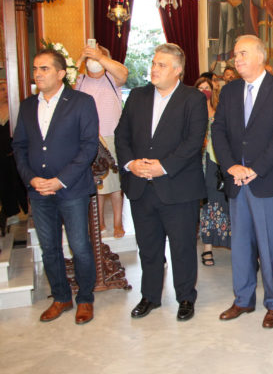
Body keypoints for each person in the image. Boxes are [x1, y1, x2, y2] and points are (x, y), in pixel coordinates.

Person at [115, 43, 208, 322]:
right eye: (154, 63)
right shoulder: (137, 96)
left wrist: (163, 167)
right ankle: (150, 296)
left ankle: (185, 297)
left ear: (178, 70)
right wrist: (131, 164)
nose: (154, 69)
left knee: (182, 248)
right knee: (148, 247)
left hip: (178, 187)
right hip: (141, 186)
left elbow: (193, 141)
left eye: (162, 65)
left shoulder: (193, 98)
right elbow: (121, 135)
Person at [212, 35, 273, 329]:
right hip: (237, 181)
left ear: (261, 56)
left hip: (267, 181)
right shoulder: (230, 91)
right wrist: (230, 165)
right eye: (236, 54)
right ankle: (243, 299)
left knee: (270, 248)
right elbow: (218, 130)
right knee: (240, 246)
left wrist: (255, 169)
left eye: (243, 53)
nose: (237, 59)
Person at [12, 49, 99, 324]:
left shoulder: (82, 102)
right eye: (35, 68)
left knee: (79, 246)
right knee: (49, 247)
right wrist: (31, 178)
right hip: (38, 191)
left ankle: (85, 298)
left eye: (44, 68)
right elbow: (19, 146)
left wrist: (60, 180)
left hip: (71, 189)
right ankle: (61, 297)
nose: (37, 74)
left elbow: (89, 146)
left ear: (61, 73)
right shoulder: (28, 106)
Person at [75, 43, 128, 239]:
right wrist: (81, 57)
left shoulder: (111, 79)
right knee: (95, 184)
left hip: (111, 136)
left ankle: (118, 222)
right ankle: (99, 222)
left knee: (115, 184)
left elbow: (124, 73)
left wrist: (101, 56)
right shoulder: (80, 80)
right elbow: (64, 80)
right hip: (87, 138)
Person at [195, 77, 231, 266]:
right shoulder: (192, 114)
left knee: (225, 204)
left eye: (206, 88)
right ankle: (207, 248)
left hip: (218, 164)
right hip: (200, 165)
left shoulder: (219, 112)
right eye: (200, 88)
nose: (203, 92)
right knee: (208, 205)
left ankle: (231, 241)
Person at [0, 80, 28, 235]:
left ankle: (27, 210)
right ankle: (11, 212)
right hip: (1, 155)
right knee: (4, 183)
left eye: (6, 89)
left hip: (16, 153)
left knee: (20, 181)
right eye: (1, 90)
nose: (5, 93)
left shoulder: (16, 109)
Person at [207, 0, 245, 64]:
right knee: (218, 33)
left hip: (229, 8)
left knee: (228, 33)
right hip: (216, 7)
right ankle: (216, 58)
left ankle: (227, 58)